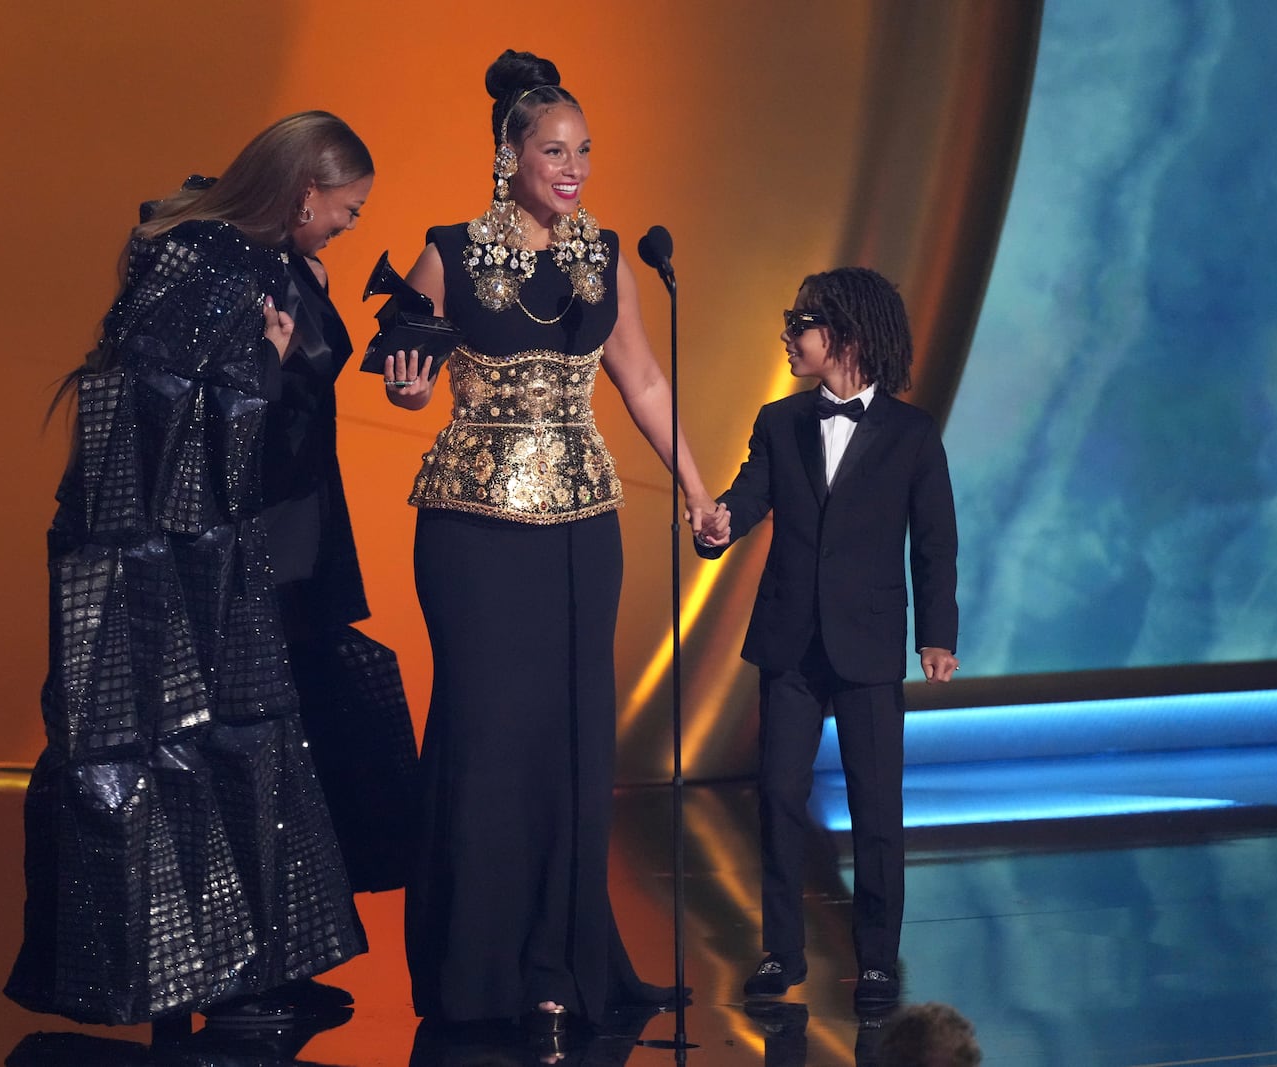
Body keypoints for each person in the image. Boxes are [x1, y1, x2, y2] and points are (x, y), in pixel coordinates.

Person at [5, 111, 378, 1032]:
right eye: (347, 208)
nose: (349, 225)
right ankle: (191, 978)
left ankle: (248, 968)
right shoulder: (206, 262)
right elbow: (152, 413)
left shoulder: (260, 264)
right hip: (151, 560)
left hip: (223, 546)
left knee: (243, 738)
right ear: (303, 193)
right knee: (170, 744)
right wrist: (266, 362)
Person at [383, 49, 718, 1031]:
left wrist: (699, 493)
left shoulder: (606, 256)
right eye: (553, 151)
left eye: (584, 152)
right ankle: (474, 968)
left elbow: (644, 383)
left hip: (583, 527)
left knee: (572, 740)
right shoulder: (445, 250)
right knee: (490, 736)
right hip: (474, 530)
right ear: (508, 156)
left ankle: (562, 959)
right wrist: (407, 387)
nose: (572, 169)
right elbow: (404, 373)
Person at [694, 268, 959, 1020]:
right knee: (777, 794)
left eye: (798, 327)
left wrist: (937, 634)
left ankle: (876, 958)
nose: (787, 340)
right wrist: (721, 525)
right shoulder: (779, 421)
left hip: (869, 644)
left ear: (840, 335)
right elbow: (751, 492)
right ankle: (781, 948)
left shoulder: (911, 433)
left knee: (878, 807)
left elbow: (935, 543)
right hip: (789, 642)